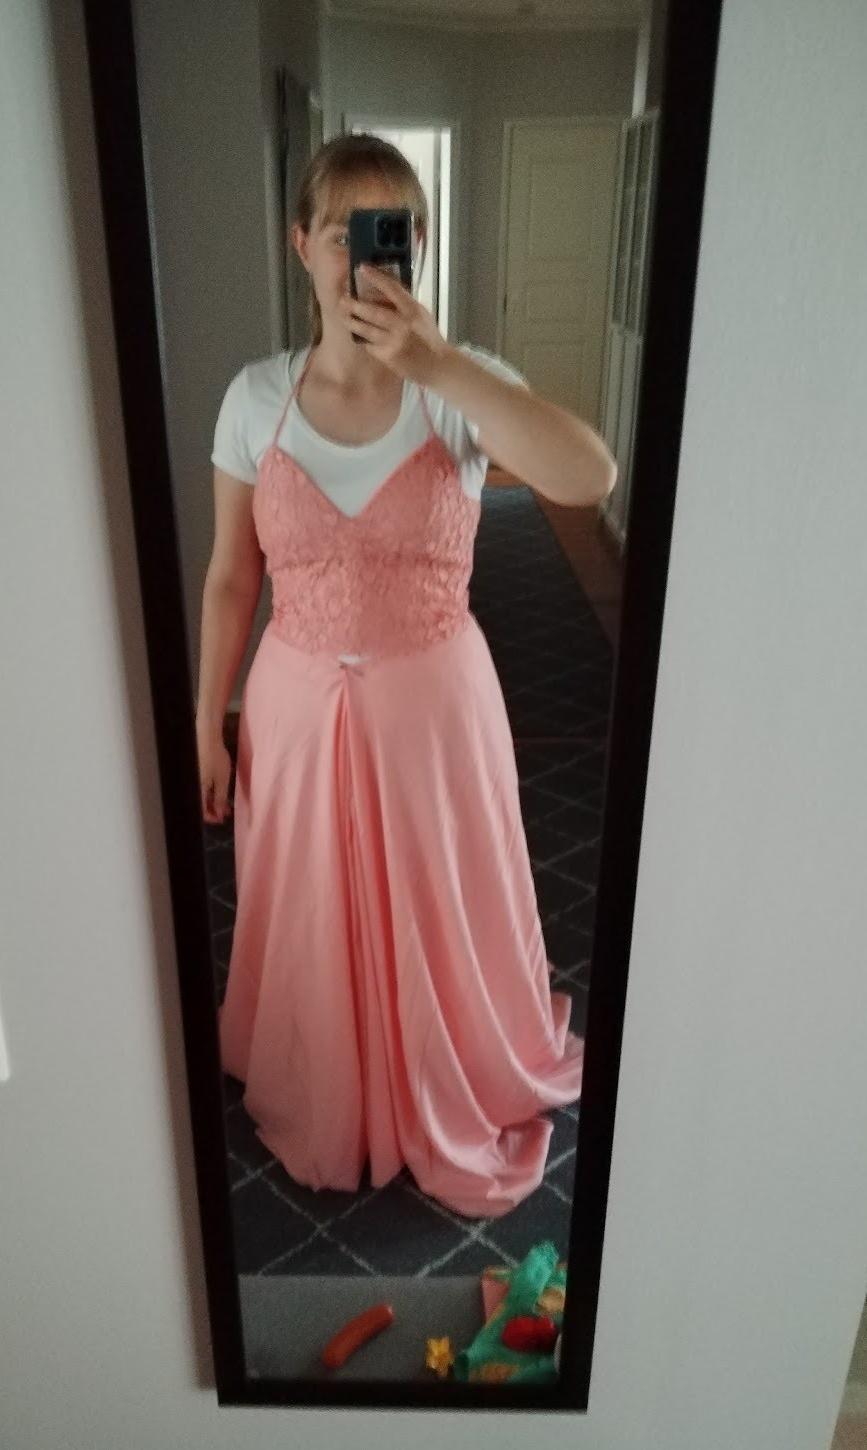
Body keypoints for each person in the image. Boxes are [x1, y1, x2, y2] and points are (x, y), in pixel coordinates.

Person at [198, 134, 616, 1219]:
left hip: (436, 712)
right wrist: (208, 722)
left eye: (394, 232)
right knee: (311, 910)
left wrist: (445, 369)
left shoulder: (460, 386)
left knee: (444, 903)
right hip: (292, 710)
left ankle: (453, 1063)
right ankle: (326, 1073)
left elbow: (589, 474)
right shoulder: (253, 398)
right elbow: (231, 578)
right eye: (345, 233)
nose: (369, 257)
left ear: (419, 245)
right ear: (301, 245)